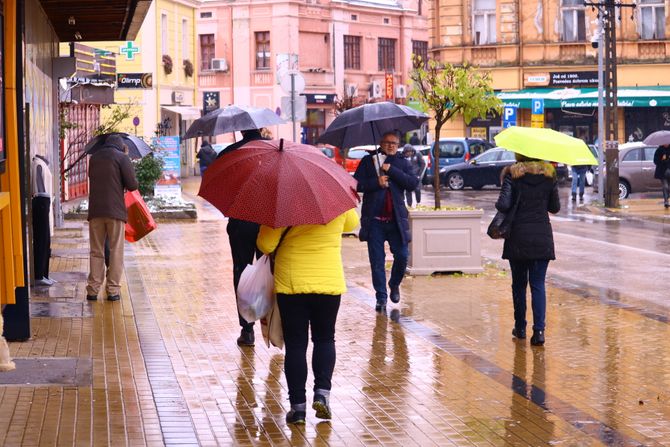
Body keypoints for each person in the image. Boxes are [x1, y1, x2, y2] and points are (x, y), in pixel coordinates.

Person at [257, 208, 359, 424]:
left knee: (296, 345)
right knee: (325, 338)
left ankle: (298, 409)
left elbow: (266, 245)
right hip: (328, 282)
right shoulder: (334, 199)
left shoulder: (283, 205)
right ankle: (322, 393)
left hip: (292, 285)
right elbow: (351, 224)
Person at [495, 154, 560, 346]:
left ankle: (520, 327)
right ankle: (539, 332)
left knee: (519, 284)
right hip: (541, 236)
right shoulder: (549, 175)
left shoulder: (512, 175)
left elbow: (503, 204)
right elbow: (554, 207)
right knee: (538, 284)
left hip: (518, 235)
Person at [354, 132, 419, 311]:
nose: (390, 145)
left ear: (398, 145)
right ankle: (381, 297)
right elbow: (356, 184)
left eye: (394, 143)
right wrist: (376, 182)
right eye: (387, 142)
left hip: (396, 220)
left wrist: (392, 170)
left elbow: (412, 183)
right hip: (374, 220)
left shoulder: (402, 163)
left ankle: (395, 283)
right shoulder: (369, 162)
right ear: (380, 143)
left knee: (402, 256)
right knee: (377, 261)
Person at [217, 128, 266, 346]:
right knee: (270, 270)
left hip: (240, 223)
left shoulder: (230, 153)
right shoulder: (273, 151)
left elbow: (219, 185)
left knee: (242, 271)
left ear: (241, 130)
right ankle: (274, 323)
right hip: (267, 223)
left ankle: (247, 329)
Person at [86, 134, 139, 301]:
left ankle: (93, 290)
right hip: (115, 212)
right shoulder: (122, 157)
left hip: (95, 211)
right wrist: (126, 157)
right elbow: (132, 185)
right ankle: (113, 290)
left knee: (96, 250)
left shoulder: (94, 158)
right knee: (115, 250)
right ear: (121, 146)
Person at [32, 154, 55, 286]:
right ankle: (39, 274)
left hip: (43, 201)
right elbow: (40, 186)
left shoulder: (41, 164)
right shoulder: (38, 164)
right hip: (41, 200)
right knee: (41, 239)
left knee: (45, 240)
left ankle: (44, 274)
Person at [653, 144, 670, 208]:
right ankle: (666, 201)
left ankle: (667, 199)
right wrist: (662, 159)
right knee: (665, 187)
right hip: (662, 172)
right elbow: (655, 161)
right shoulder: (659, 150)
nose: (666, 144)